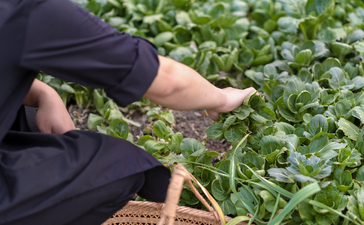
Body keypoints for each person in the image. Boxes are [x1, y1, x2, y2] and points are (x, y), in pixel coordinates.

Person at [0, 0, 256, 224]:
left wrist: (44, 94)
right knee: (124, 164)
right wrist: (222, 99)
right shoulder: (29, 11)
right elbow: (168, 82)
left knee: (30, 123)